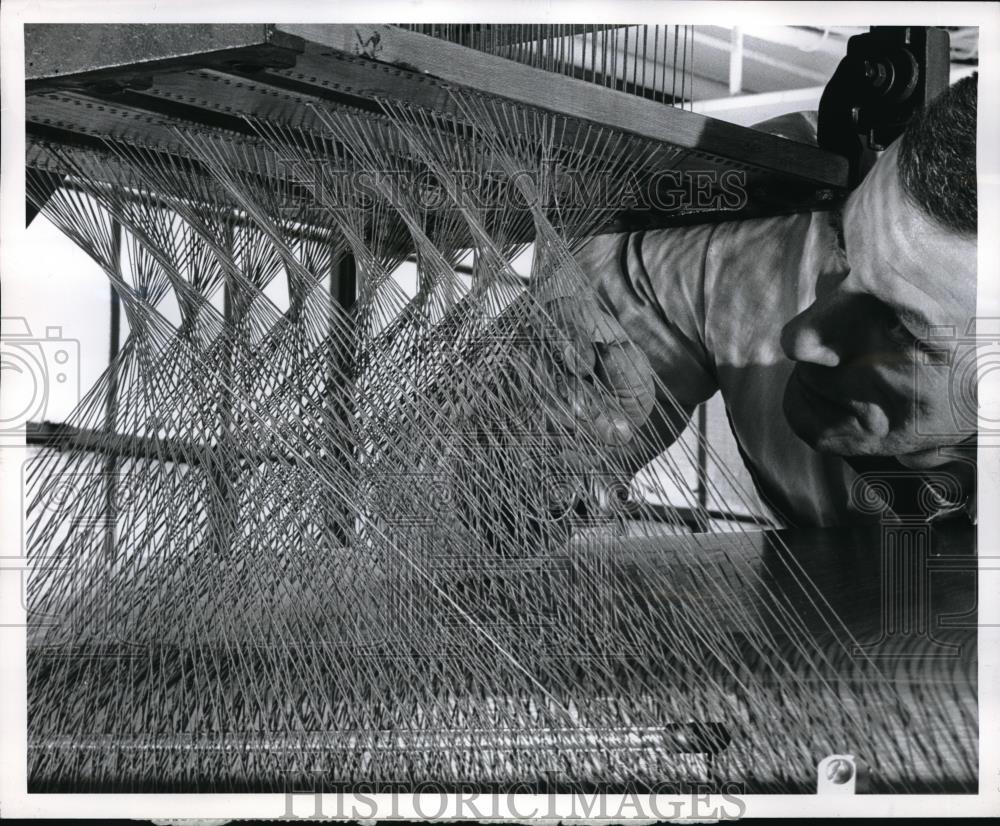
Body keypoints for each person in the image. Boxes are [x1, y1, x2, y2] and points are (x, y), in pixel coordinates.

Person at [564, 74, 978, 528]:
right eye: (842, 245)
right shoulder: (757, 206)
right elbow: (514, 497)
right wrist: (558, 450)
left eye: (902, 325)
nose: (797, 338)